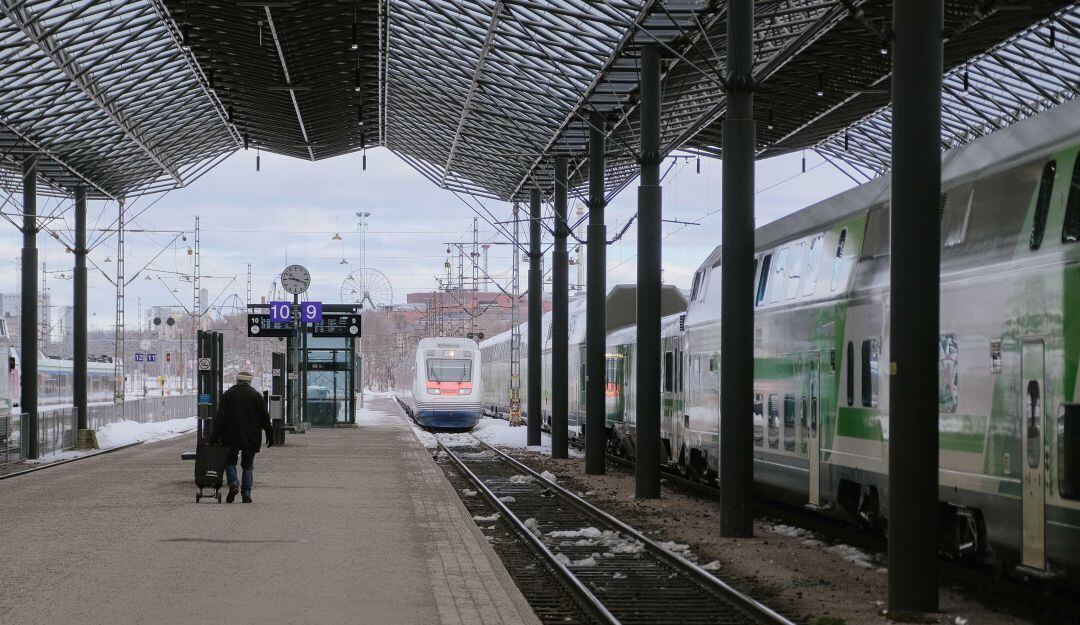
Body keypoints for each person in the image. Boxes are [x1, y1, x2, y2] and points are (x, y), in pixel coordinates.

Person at [210, 371, 273, 503]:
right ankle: (246, 494)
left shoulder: (228, 395)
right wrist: (269, 434)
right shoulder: (256, 396)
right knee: (248, 466)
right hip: (251, 437)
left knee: (229, 462)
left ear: (237, 381)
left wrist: (214, 437)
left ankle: (233, 483)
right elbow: (265, 418)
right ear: (249, 382)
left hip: (229, 436)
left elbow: (220, 418)